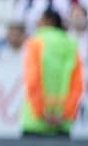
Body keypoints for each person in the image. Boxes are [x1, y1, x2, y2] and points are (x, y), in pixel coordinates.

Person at [21, 9, 83, 138]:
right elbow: (77, 84)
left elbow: (33, 80)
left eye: (40, 19)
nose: (37, 22)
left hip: (35, 122)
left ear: (48, 21)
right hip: (62, 122)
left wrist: (40, 113)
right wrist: (66, 114)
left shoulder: (35, 43)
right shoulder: (70, 45)